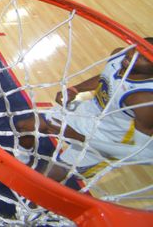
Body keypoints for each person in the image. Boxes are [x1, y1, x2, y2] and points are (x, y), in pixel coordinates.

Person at [14, 40, 153, 181]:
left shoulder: (145, 100)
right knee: (25, 126)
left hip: (106, 139)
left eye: (144, 57)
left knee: (46, 181)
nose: (133, 55)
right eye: (136, 48)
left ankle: (36, 202)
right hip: (86, 112)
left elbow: (144, 154)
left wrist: (79, 138)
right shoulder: (119, 55)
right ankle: (23, 160)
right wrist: (76, 89)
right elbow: (106, 76)